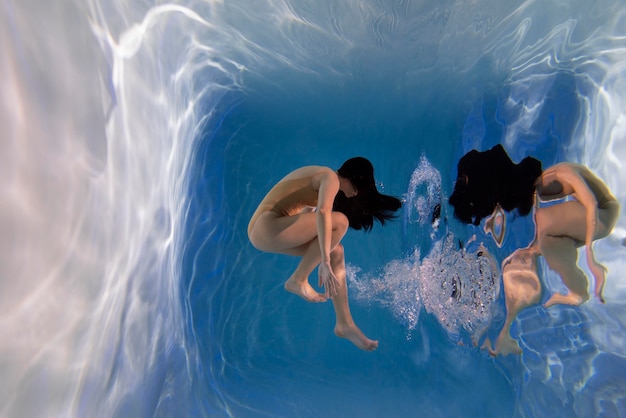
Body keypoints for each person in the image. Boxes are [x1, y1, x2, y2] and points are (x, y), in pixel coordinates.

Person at [247, 157, 402, 351]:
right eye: (360, 187)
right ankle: (299, 279)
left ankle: (345, 323)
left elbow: (307, 213)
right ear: (352, 178)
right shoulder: (330, 178)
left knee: (335, 249)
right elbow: (322, 212)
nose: (356, 194)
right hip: (267, 226)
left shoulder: (322, 179)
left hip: (264, 231)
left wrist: (326, 253)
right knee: (341, 222)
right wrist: (324, 262)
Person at [450, 146, 620, 307]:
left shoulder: (564, 173)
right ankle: (578, 289)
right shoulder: (541, 186)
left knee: (543, 221)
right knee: (538, 242)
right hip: (594, 218)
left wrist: (591, 258)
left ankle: (579, 289)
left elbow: (590, 203)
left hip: (604, 212)